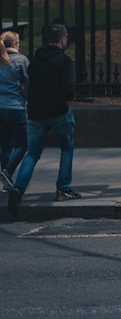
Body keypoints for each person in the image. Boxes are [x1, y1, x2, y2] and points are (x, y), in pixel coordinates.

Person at [8, 23, 79, 217]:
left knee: (32, 153)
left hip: (36, 113)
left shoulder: (35, 60)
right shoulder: (64, 61)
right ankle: (63, 189)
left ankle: (18, 189)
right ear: (63, 39)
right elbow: (69, 89)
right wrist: (65, 107)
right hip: (58, 112)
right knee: (66, 147)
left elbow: (28, 86)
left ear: (47, 39)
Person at [0, 31, 30, 190]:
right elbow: (28, 82)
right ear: (16, 44)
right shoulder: (21, 60)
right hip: (15, 107)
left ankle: (7, 180)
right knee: (22, 145)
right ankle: (7, 171)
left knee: (5, 145)